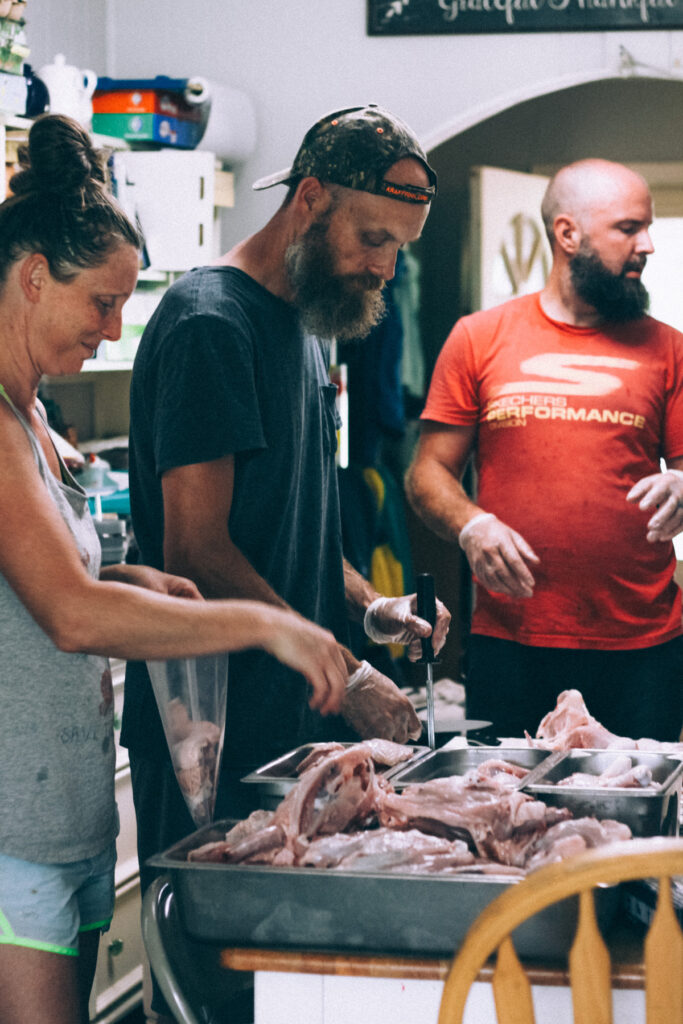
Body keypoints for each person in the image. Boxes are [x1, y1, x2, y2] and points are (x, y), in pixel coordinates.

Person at [0, 113, 351, 1024]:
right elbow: (70, 615)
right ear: (33, 278)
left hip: (64, 811)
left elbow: (45, 586)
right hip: (11, 824)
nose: (113, 330)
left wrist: (134, 581)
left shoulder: (33, 417)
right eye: (100, 303)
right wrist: (267, 623)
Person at [122, 99, 451, 925]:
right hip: (207, 728)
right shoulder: (211, 324)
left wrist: (368, 609)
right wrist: (348, 672)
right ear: (308, 200)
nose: (385, 267)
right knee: (212, 960)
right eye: (371, 238)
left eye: (399, 248)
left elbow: (286, 530)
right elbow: (198, 549)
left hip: (285, 725)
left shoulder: (306, 323)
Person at [406, 157, 683, 743]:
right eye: (629, 228)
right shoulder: (479, 337)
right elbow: (428, 472)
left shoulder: (669, 349)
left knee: (639, 800)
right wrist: (472, 525)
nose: (648, 245)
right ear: (567, 234)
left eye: (647, 227)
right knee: (505, 796)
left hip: (644, 647)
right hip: (512, 642)